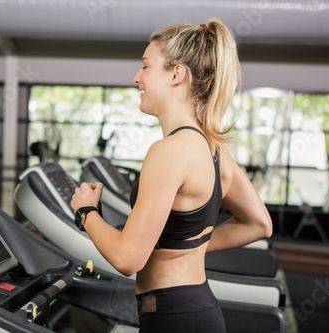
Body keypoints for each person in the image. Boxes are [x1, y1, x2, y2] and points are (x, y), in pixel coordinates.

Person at [70, 18, 273, 333]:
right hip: (194, 306)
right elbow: (259, 224)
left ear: (177, 74)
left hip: (175, 316)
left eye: (146, 66)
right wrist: (191, 246)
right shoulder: (214, 148)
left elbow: (127, 259)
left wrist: (86, 211)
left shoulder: (169, 151)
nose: (137, 77)